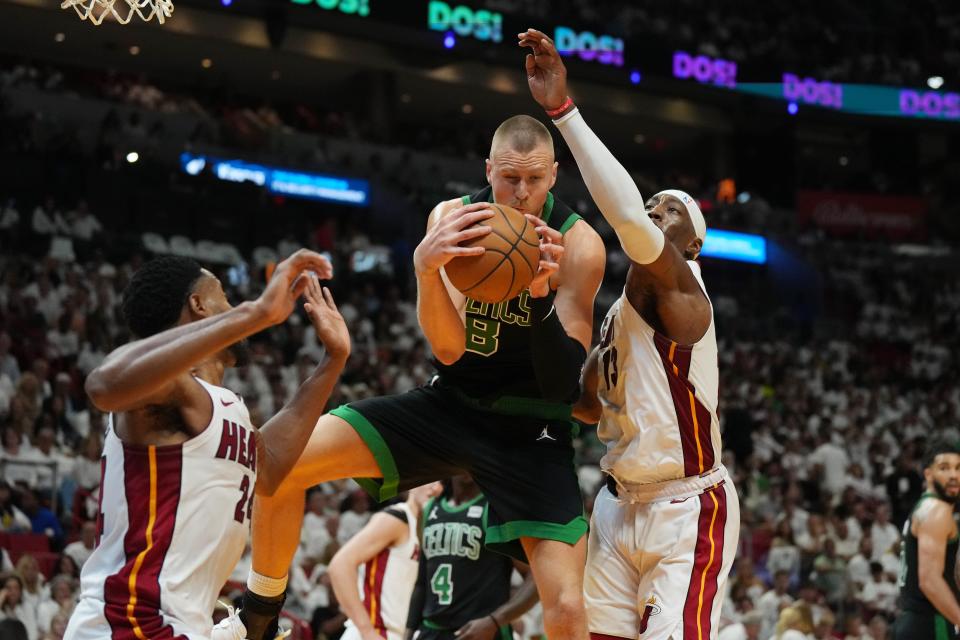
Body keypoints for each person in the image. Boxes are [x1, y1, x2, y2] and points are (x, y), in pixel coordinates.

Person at [236, 115, 605, 640]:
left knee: (567, 609)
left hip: (531, 427)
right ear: (487, 170)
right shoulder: (453, 218)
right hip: (451, 405)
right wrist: (425, 270)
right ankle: (259, 616)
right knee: (278, 460)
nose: (521, 193)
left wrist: (541, 294)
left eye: (535, 180)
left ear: (554, 176)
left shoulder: (580, 245)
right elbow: (449, 349)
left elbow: (560, 385)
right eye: (508, 178)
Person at [519, 27, 740, 640]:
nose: (651, 211)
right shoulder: (620, 314)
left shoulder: (684, 291)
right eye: (650, 204)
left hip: (686, 506)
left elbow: (622, 220)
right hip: (618, 503)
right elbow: (585, 407)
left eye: (667, 210)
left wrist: (563, 112)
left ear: (692, 244)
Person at [64, 251, 350, 640]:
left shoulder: (224, 404)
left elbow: (271, 469)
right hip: (129, 622)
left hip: (174, 626)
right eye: (226, 298)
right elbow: (102, 385)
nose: (235, 307)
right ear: (198, 304)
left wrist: (333, 360)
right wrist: (257, 312)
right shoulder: (169, 389)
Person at [406, 476, 540, 640]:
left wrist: (495, 621)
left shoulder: (497, 509)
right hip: (432, 631)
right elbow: (421, 583)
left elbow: (536, 577)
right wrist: (408, 634)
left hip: (482, 632)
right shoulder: (429, 511)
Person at [329, 483, 441, 640]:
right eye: (431, 479)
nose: (434, 488)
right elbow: (340, 565)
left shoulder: (435, 528)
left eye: (441, 481)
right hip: (376, 632)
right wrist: (367, 631)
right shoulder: (397, 518)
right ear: (413, 483)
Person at [892, 439, 960, 640]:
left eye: (958, 468)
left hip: (915, 621)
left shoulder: (924, 508)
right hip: (931, 622)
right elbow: (930, 581)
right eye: (944, 468)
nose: (953, 476)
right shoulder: (936, 511)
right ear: (928, 474)